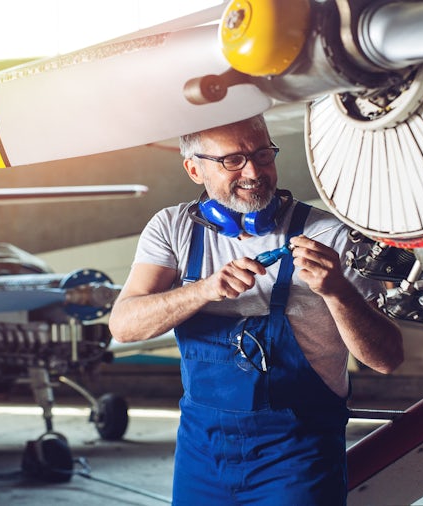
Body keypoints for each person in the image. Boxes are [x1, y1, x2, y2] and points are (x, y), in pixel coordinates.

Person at [109, 114, 404, 505]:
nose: (253, 171)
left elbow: (387, 359)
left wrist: (338, 293)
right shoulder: (172, 228)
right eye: (232, 160)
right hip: (202, 453)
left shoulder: (328, 237)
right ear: (194, 169)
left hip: (296, 456)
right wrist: (204, 290)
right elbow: (124, 326)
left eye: (262, 154)